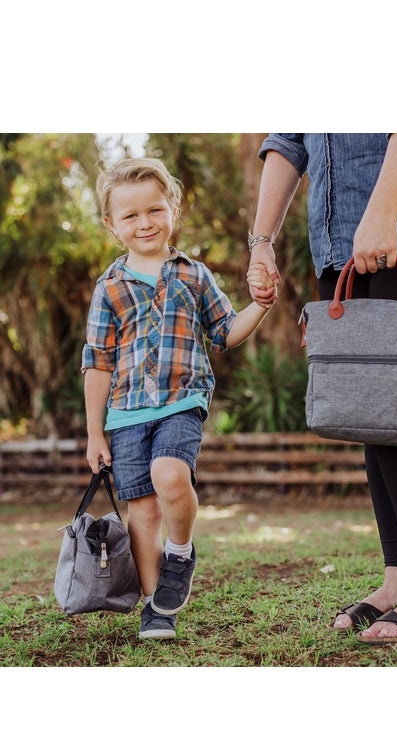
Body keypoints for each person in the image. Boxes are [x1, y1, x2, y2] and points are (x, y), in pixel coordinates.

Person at [248, 134, 397, 642]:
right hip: (339, 240)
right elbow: (289, 141)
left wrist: (384, 212)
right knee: (370, 408)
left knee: (392, 402)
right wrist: (262, 240)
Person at [83, 156, 275, 640]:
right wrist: (93, 433)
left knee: (169, 475)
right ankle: (157, 609)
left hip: (181, 401)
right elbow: (98, 361)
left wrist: (261, 305)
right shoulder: (109, 287)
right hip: (126, 413)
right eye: (130, 215)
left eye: (154, 209)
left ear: (172, 209)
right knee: (142, 512)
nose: (144, 222)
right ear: (112, 224)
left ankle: (182, 551)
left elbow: (226, 332)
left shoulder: (193, 275)